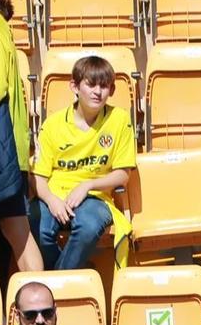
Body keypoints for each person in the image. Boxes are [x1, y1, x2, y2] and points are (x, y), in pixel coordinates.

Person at [29, 54, 135, 270]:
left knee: (89, 225)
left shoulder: (120, 119)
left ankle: (58, 286)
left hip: (96, 197)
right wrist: (51, 200)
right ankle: (72, 275)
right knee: (36, 225)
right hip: (54, 193)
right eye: (91, 84)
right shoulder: (53, 124)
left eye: (104, 86)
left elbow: (124, 173)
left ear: (112, 91)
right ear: (74, 86)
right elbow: (37, 176)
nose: (98, 92)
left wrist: (87, 185)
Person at [0, 0, 42, 274]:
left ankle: (42, 300)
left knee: (17, 234)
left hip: (1, 157)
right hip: (6, 153)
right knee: (6, 236)